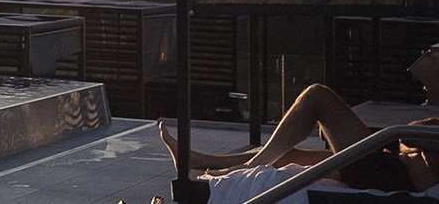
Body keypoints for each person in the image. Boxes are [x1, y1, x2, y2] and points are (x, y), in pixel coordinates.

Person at [159, 83, 438, 202]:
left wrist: (413, 137)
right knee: (292, 154)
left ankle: (248, 165)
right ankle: (199, 161)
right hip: (393, 165)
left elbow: (409, 135)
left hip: (393, 174)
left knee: (317, 96)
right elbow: (411, 136)